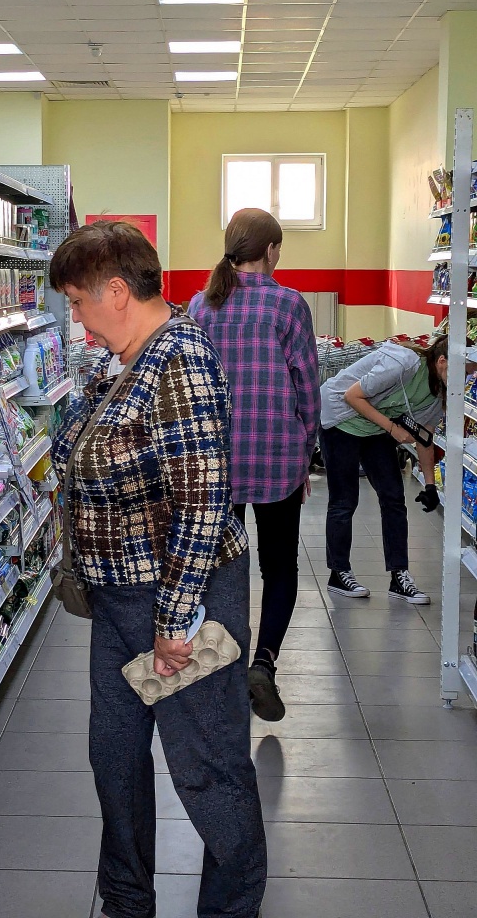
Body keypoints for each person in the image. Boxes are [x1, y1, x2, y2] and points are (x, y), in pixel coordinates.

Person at [50, 220, 266, 918]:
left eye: (79, 302)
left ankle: (231, 907)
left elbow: (203, 501)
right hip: (120, 602)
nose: (76, 319)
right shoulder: (131, 358)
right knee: (114, 759)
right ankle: (126, 900)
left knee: (207, 766)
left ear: (117, 292)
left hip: (180, 599)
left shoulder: (179, 360)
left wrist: (175, 622)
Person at [188, 207, 320, 724]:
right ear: (269, 251)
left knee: (222, 568)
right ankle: (263, 664)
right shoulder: (288, 305)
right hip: (277, 460)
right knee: (279, 567)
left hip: (218, 463)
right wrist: (307, 451)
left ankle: (223, 665)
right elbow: (307, 387)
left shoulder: (202, 304)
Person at [320, 335, 457, 602]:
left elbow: (424, 436)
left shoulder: (439, 392)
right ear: (442, 361)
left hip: (375, 428)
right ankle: (339, 572)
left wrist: (430, 485)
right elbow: (352, 396)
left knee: (394, 498)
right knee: (344, 501)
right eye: (464, 371)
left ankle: (399, 576)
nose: (466, 380)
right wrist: (392, 428)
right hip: (341, 421)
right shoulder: (403, 364)